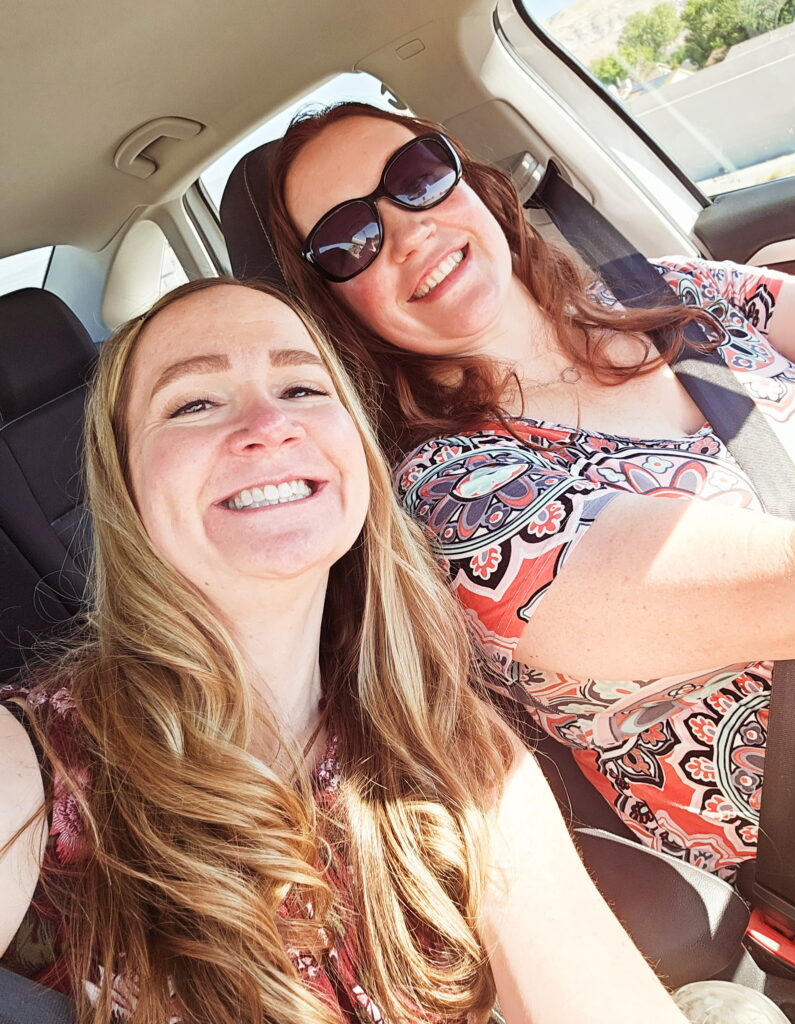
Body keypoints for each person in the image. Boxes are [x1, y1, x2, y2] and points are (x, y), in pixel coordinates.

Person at [267, 101, 795, 975]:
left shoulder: (663, 293)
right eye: (347, 240)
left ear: (471, 179)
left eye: (414, 178)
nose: (403, 230)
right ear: (334, 304)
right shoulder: (459, 507)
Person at [0, 278, 691, 1024]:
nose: (270, 425)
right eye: (194, 403)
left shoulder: (448, 741)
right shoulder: (37, 771)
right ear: (125, 487)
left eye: (301, 387)